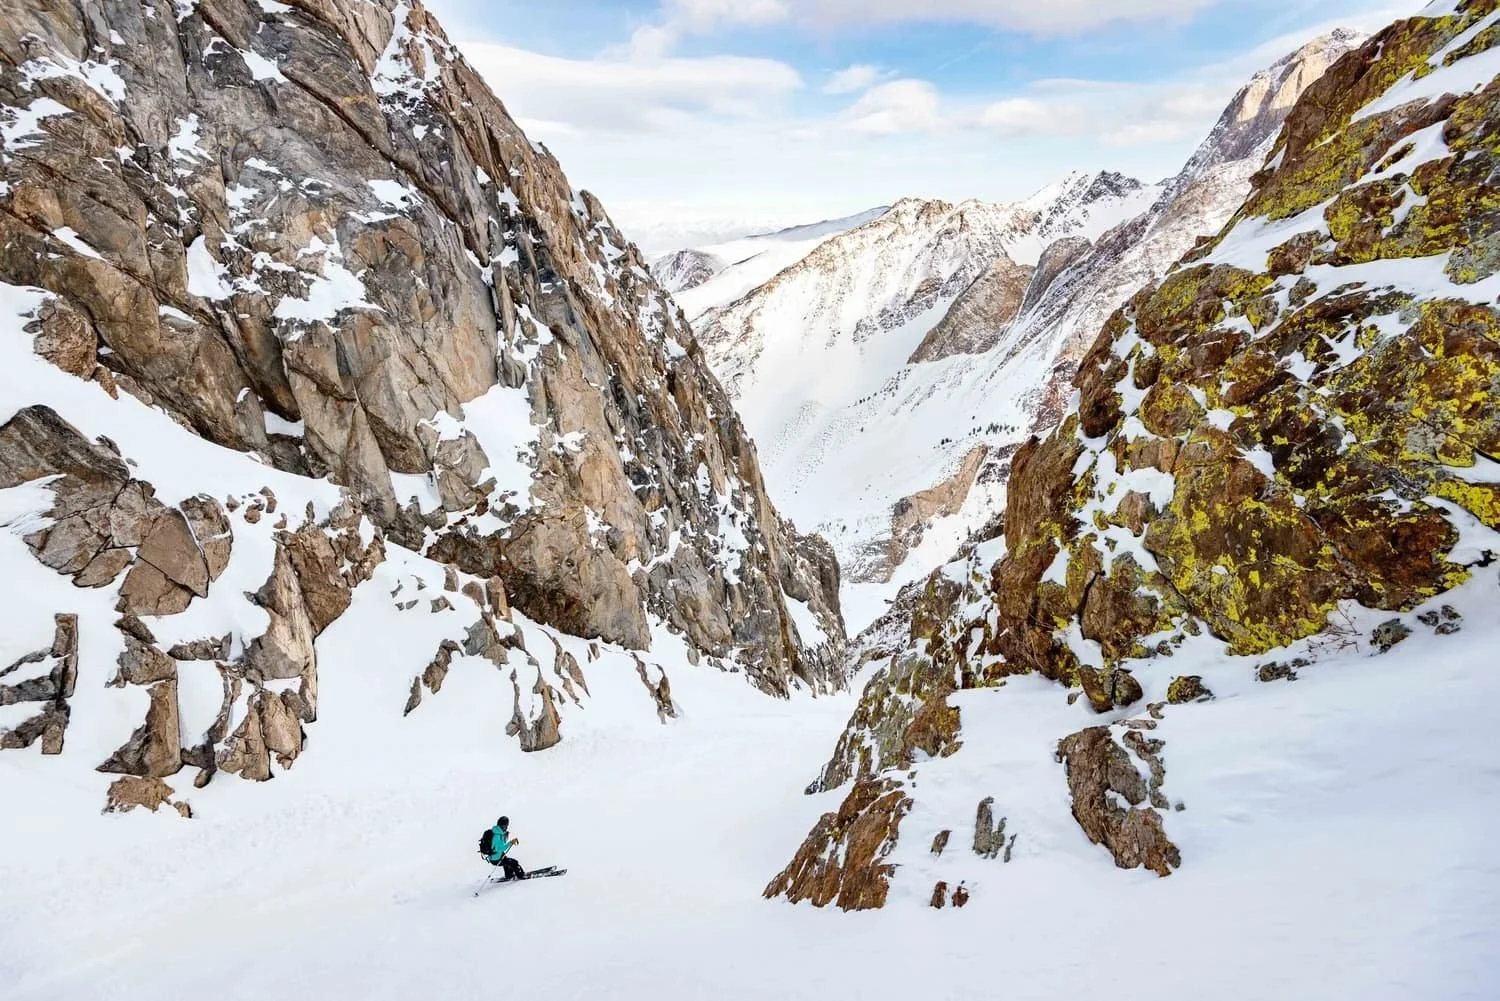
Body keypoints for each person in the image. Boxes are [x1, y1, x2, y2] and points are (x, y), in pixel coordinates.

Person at [485, 815, 525, 881]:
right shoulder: (497, 836)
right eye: (505, 825)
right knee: (514, 862)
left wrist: (507, 837)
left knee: (506, 862)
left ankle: (509, 875)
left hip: (497, 856)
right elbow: (501, 848)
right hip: (496, 859)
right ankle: (521, 875)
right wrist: (511, 842)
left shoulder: (498, 832)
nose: (506, 827)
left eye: (506, 825)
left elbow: (500, 845)